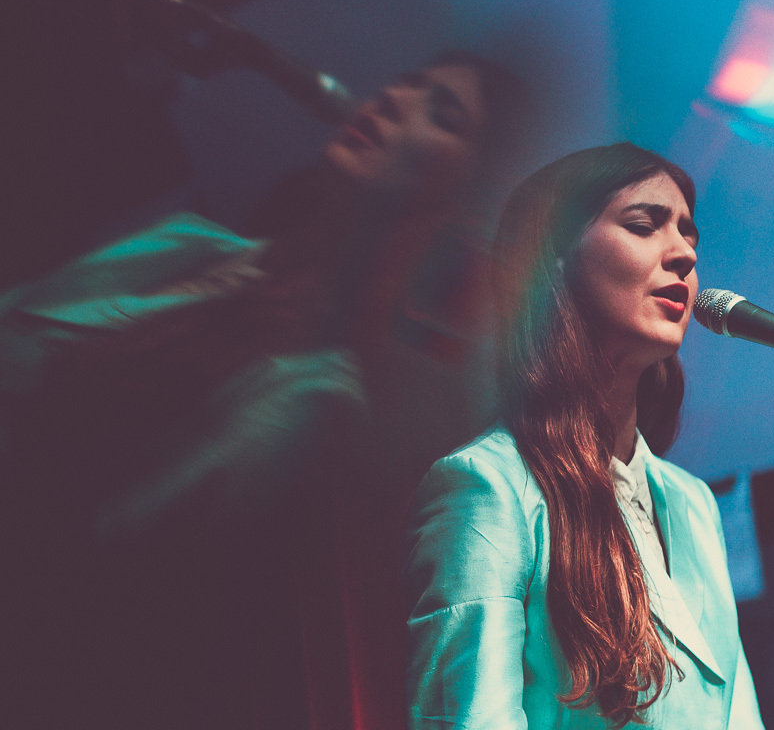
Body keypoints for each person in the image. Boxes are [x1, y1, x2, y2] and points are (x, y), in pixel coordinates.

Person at [2, 51, 527, 730]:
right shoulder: (203, 248)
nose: (394, 99)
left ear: (465, 202)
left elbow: (107, 580)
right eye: (405, 84)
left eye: (442, 114)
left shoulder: (314, 398)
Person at [405, 143, 766, 729]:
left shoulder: (694, 503)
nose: (682, 254)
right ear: (555, 259)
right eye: (644, 225)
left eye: (689, 237)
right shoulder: (487, 487)